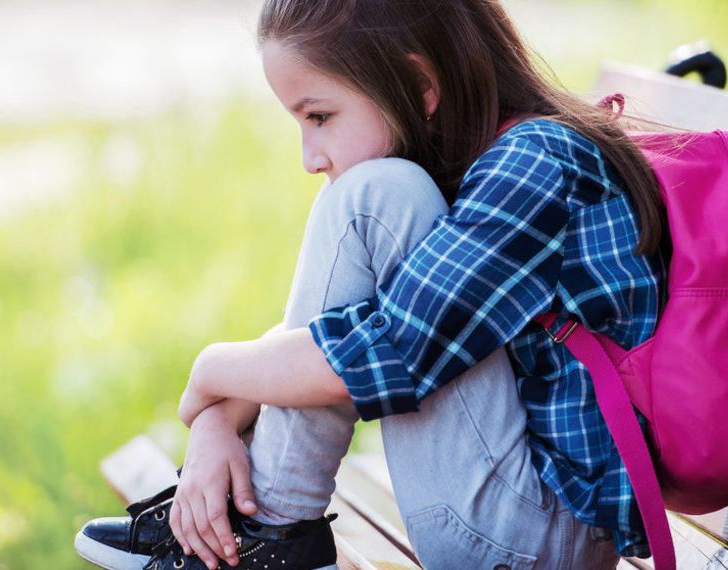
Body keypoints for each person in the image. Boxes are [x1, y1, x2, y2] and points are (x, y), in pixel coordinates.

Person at [75, 1, 669, 569]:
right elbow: (354, 333)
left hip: (538, 538)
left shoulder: (535, 163)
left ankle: (274, 529)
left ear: (417, 88)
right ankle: (268, 531)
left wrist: (209, 370)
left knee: (372, 196)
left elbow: (381, 355)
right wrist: (215, 422)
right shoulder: (489, 152)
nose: (310, 157)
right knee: (380, 196)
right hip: (522, 517)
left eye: (319, 116)